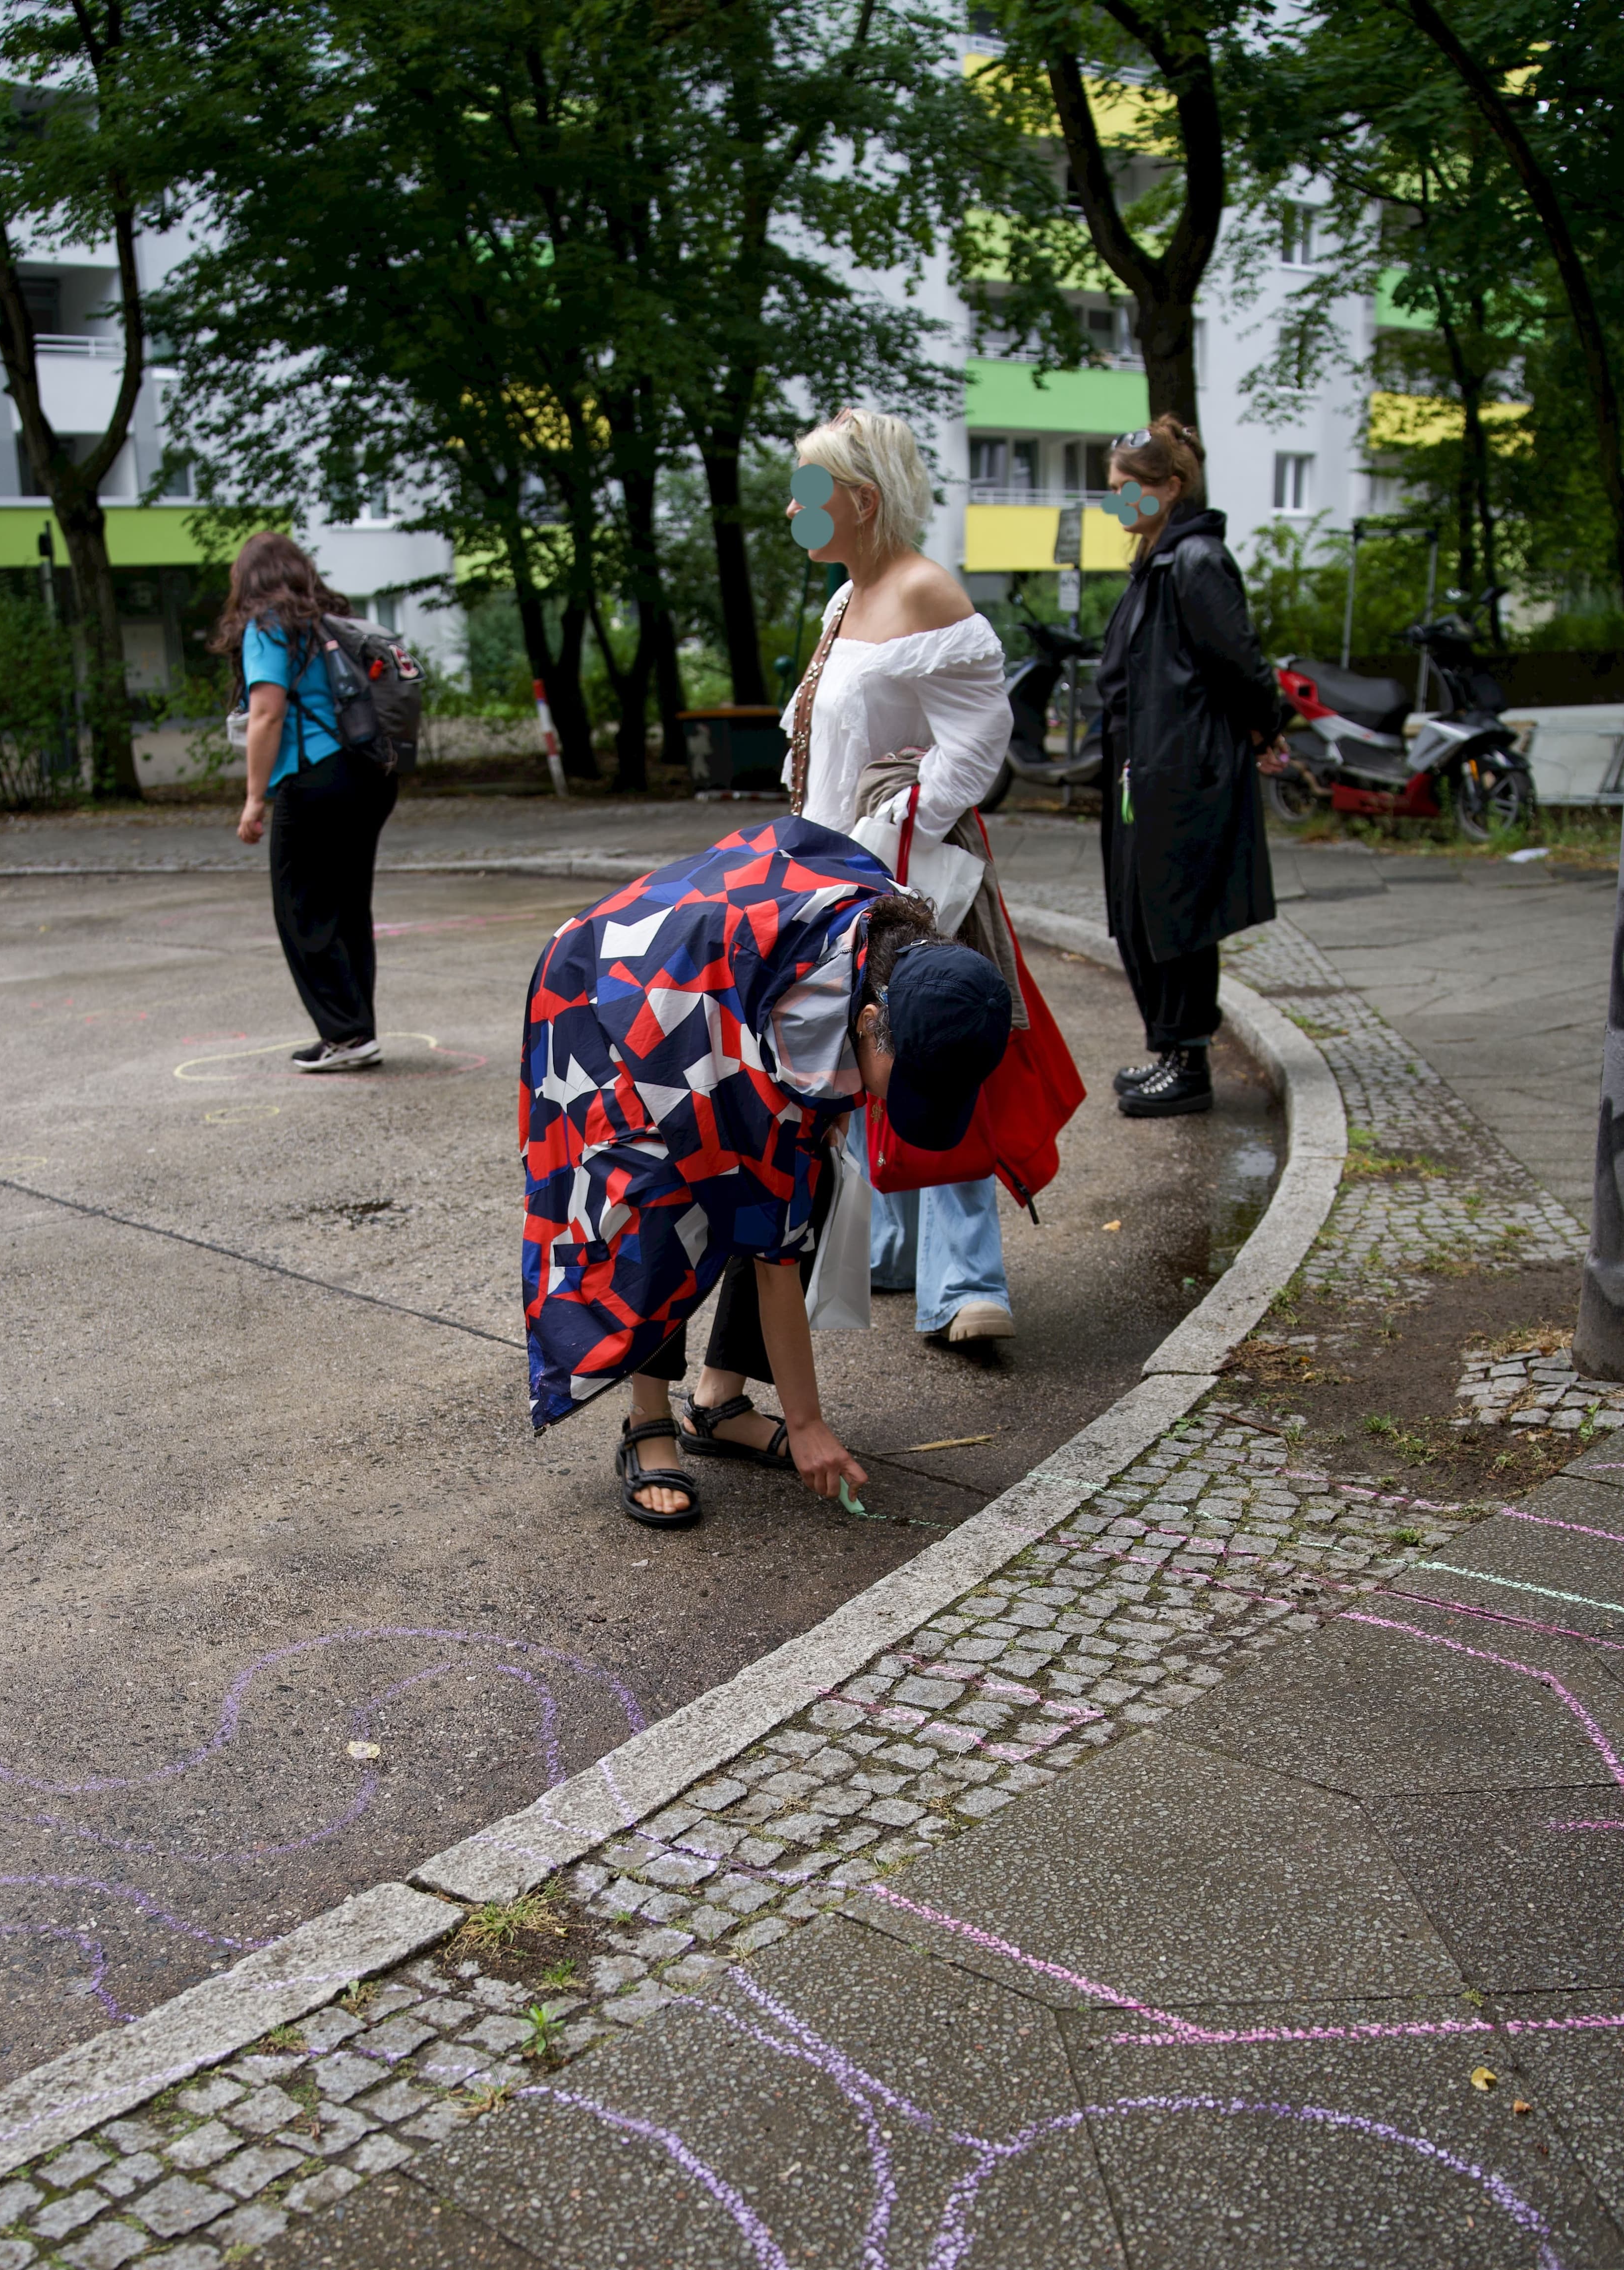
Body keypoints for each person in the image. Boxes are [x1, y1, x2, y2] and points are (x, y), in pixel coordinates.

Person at [522, 817, 1012, 1528]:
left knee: (803, 1176)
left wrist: (835, 1100)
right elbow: (772, 1248)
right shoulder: (791, 1028)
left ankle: (719, 1402)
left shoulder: (900, 946)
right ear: (872, 1020)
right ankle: (648, 1420)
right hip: (613, 993)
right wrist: (808, 1423)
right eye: (901, 1082)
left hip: (726, 979)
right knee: (663, 1196)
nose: (889, 1102)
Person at [780, 407, 1018, 1351]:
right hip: (835, 870)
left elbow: (978, 743)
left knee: (931, 1047)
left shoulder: (925, 592)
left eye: (808, 492)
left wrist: (892, 833)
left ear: (862, 500)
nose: (793, 510)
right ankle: (883, 1249)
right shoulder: (844, 600)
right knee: (854, 1055)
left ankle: (965, 1285)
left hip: (908, 881)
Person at [1095, 418, 1289, 1118]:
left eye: (1129, 490)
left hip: (1180, 770)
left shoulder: (1196, 559)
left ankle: (1188, 1062)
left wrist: (1267, 727)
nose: (1116, 503)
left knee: (1176, 917)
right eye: (1112, 490)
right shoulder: (1158, 559)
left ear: (1170, 486)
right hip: (1146, 767)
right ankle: (1171, 1052)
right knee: (1144, 915)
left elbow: (1241, 660)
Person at [215, 531, 394, 1073]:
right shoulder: (329, 623)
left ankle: (346, 1034)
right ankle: (354, 1030)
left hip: (315, 776)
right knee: (346, 906)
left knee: (301, 909)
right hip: (369, 774)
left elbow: (266, 714)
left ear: (249, 579)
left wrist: (253, 799)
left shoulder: (268, 626)